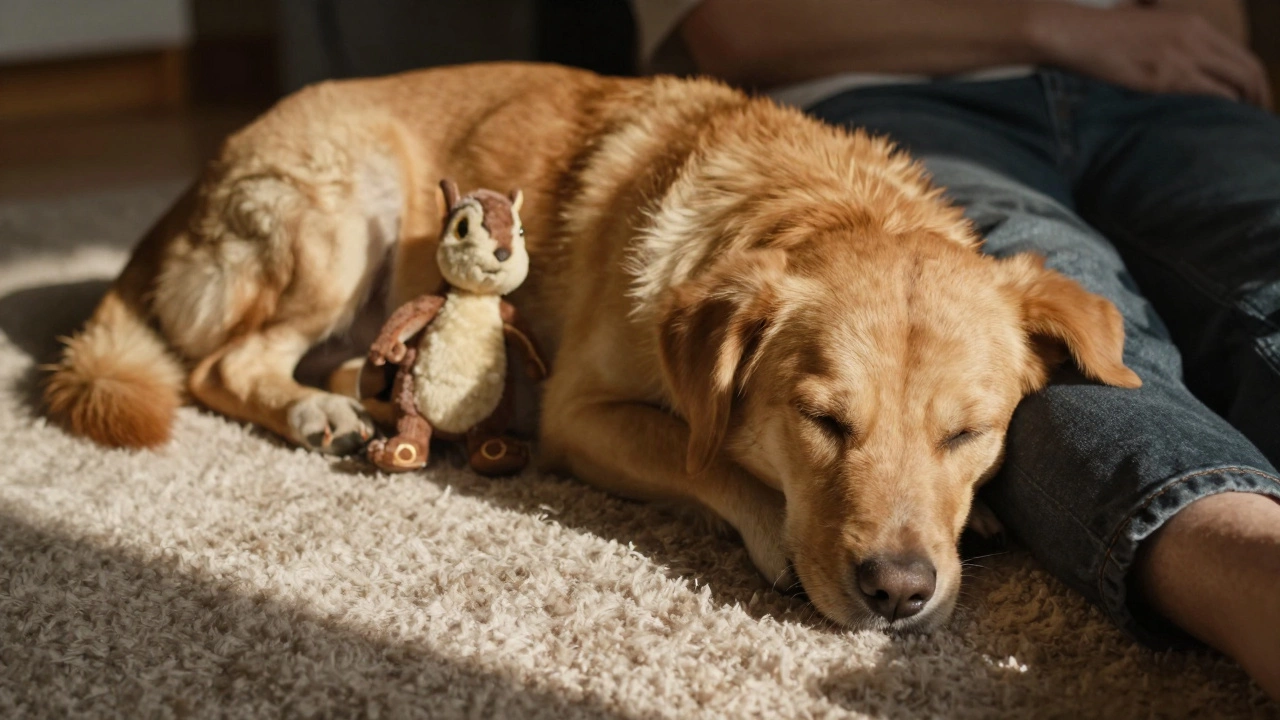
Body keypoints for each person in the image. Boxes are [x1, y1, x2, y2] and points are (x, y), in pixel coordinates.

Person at [629, 0, 1280, 700]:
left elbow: (1216, 28)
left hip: (1165, 103)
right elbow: (735, 29)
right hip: (886, 94)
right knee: (1087, 344)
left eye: (963, 433)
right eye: (831, 421)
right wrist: (1061, 29)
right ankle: (1248, 562)